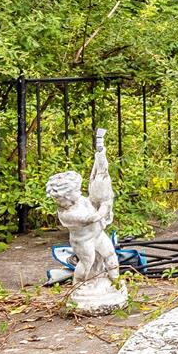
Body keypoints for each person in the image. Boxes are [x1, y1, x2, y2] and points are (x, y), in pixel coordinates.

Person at [47, 129, 123, 311]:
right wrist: (105, 205)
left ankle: (116, 283)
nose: (79, 193)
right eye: (74, 192)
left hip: (97, 235)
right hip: (83, 241)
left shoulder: (78, 200)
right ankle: (78, 286)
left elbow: (92, 195)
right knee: (87, 262)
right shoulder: (68, 214)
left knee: (110, 255)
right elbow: (93, 216)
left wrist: (99, 169)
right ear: (62, 198)